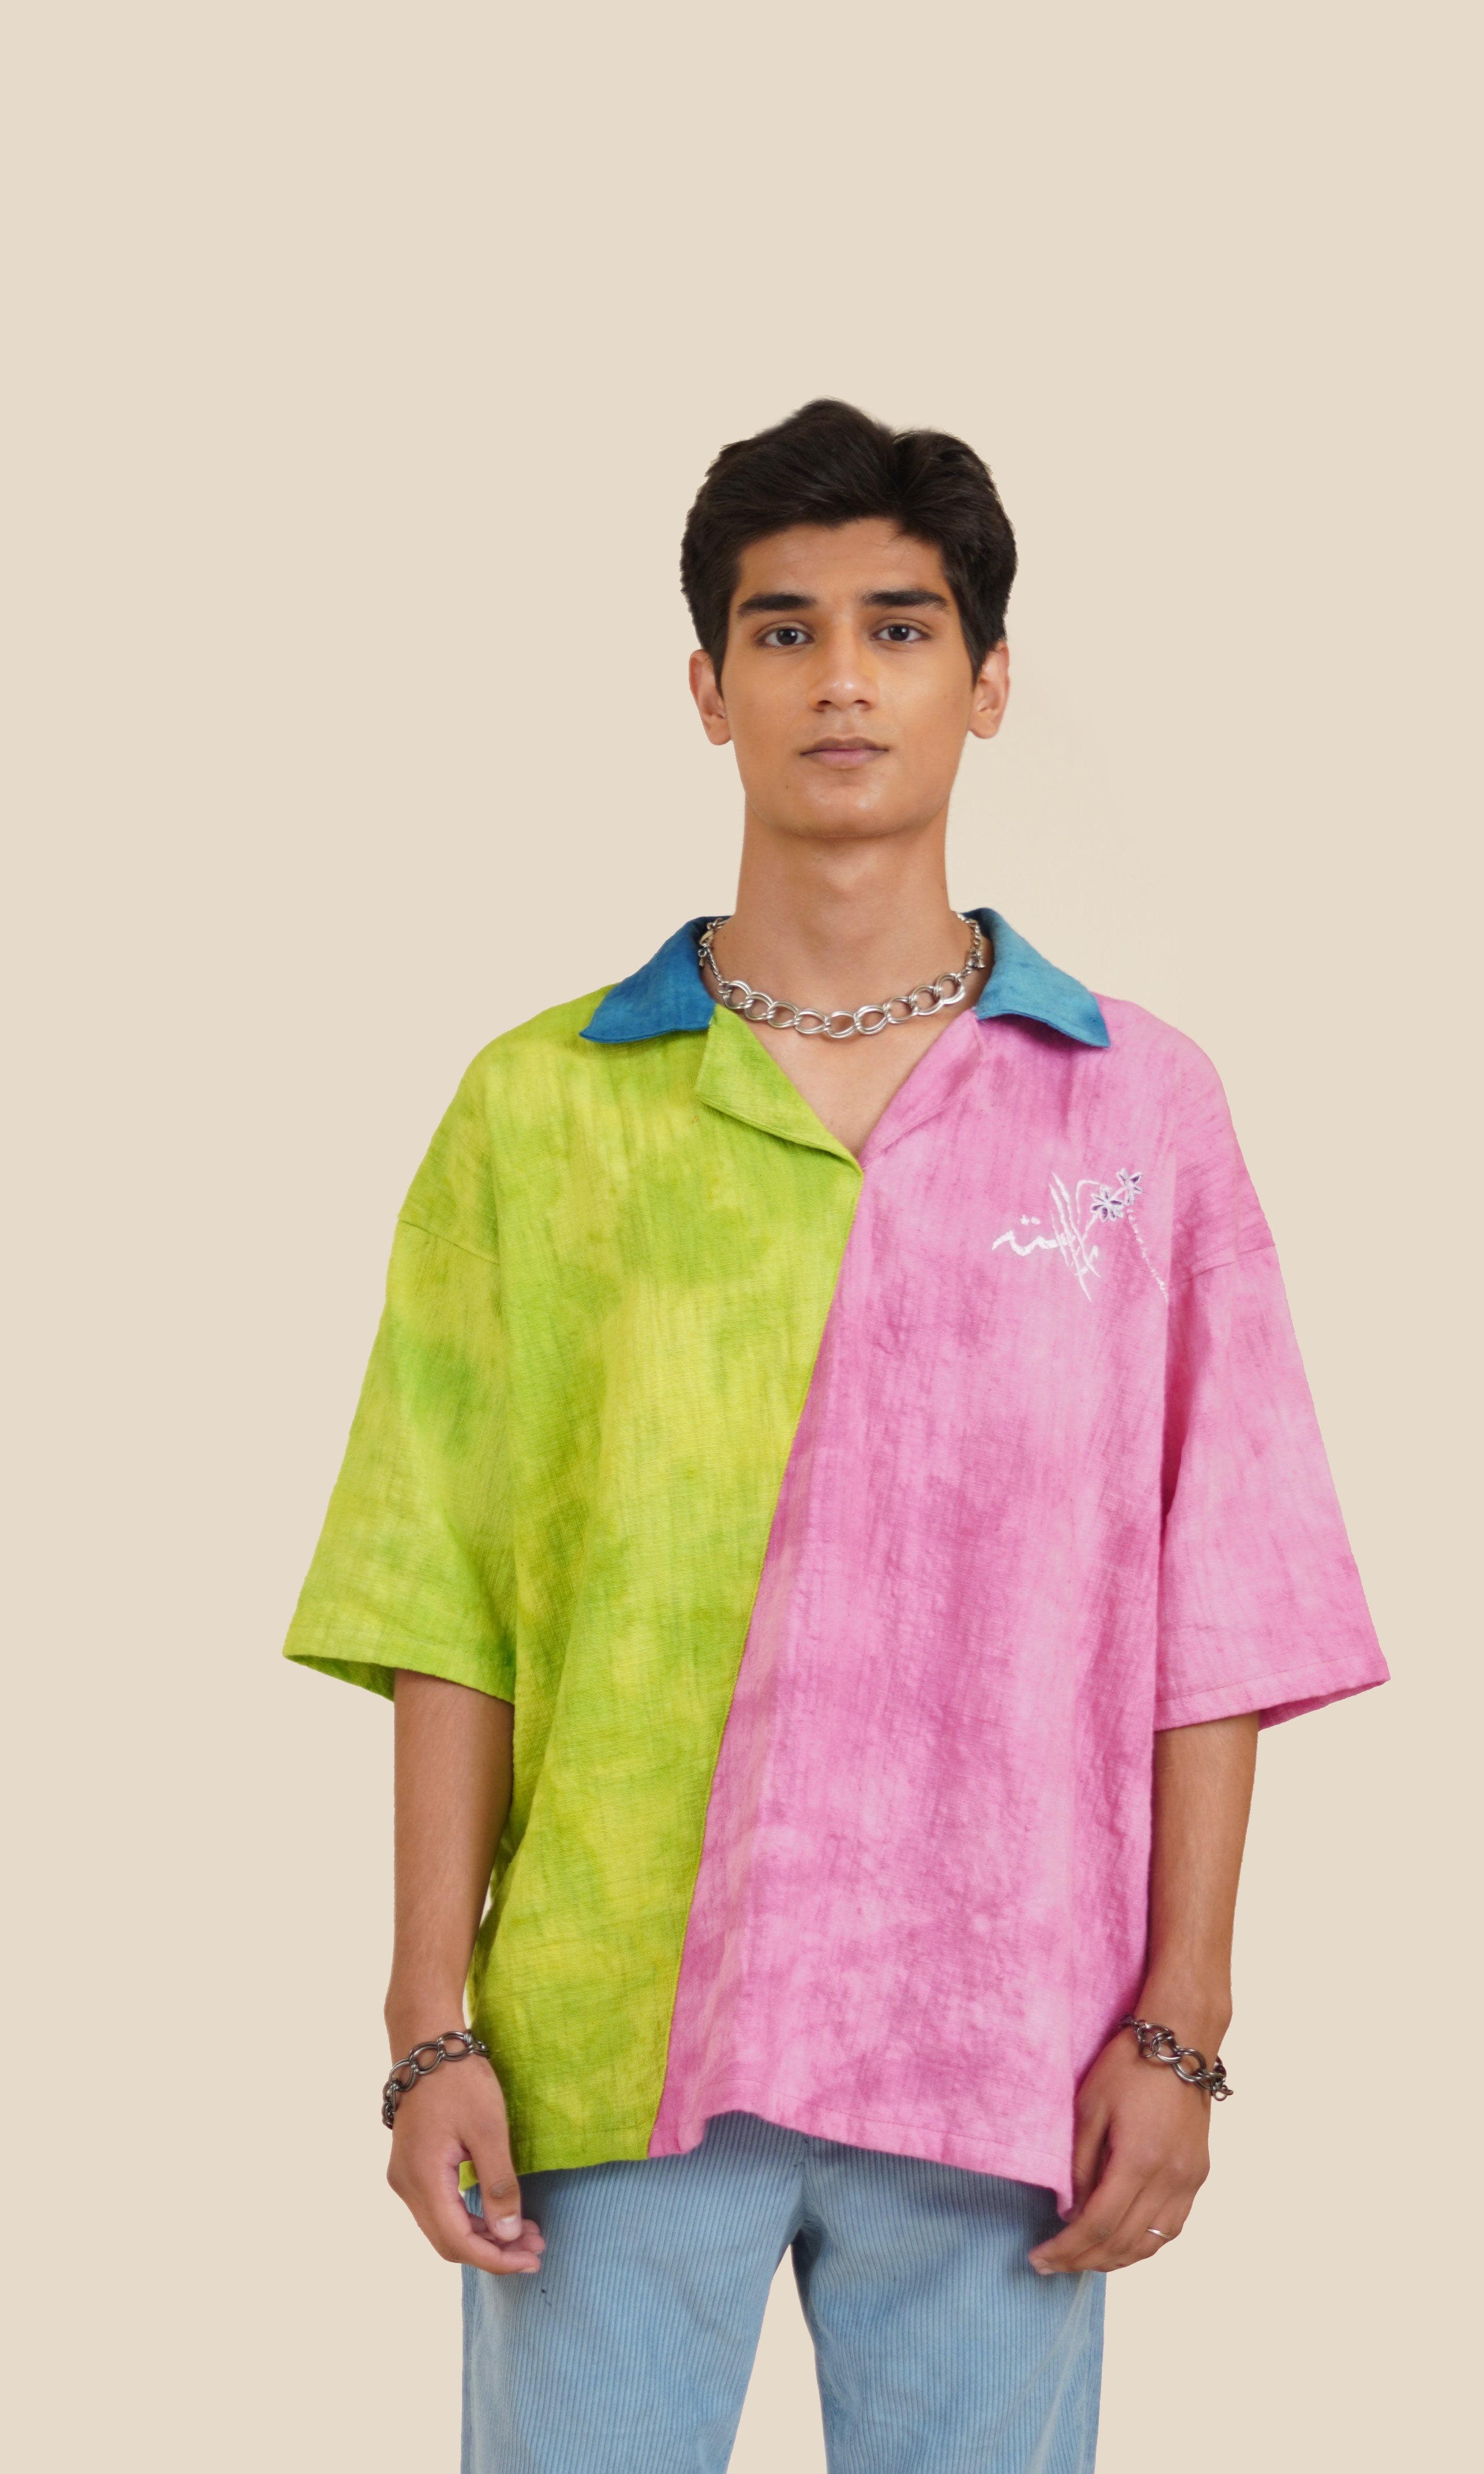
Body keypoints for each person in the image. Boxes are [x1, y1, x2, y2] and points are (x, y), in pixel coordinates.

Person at [284, 397, 1388, 2473]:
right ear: (709, 689)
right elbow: (442, 1590)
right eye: (782, 631)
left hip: (1011, 2043)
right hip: (611, 2041)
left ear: (989, 679)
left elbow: (1222, 1603)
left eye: (900, 624)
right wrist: (430, 2022)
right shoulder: (543, 1109)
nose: (842, 678)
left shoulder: (1136, 1111)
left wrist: (1183, 2028)